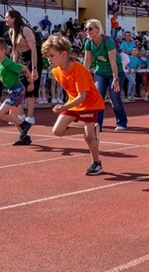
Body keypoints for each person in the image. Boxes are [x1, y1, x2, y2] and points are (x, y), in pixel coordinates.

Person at [42, 34, 104, 176]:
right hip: (74, 103)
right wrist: (67, 106)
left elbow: (82, 96)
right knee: (57, 131)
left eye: (51, 56)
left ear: (64, 54)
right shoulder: (56, 71)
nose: (48, 60)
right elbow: (71, 91)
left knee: (89, 139)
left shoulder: (79, 70)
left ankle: (96, 163)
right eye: (47, 56)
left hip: (89, 103)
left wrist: (64, 106)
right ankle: (90, 131)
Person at [0, 37, 33, 146]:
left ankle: (25, 124)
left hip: (17, 89)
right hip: (13, 90)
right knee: (13, 117)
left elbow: (25, 69)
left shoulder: (8, 63)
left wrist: (31, 83)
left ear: (3, 51)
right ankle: (25, 137)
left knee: (0, 113)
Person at [82, 19, 127, 131]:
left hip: (115, 72)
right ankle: (98, 124)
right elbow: (87, 61)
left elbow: (113, 62)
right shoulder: (89, 42)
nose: (87, 31)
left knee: (114, 98)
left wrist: (115, 78)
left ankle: (121, 122)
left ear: (98, 29)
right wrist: (82, 77)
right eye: (86, 29)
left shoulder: (108, 41)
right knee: (98, 98)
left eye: (90, 28)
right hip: (100, 72)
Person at [5, 9, 41, 125]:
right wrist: (12, 66)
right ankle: (20, 115)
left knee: (30, 87)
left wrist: (34, 68)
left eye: (7, 17)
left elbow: (34, 49)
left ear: (14, 18)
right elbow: (15, 51)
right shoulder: (11, 32)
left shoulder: (25, 30)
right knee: (19, 86)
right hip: (21, 58)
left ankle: (30, 117)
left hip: (32, 57)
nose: (5, 19)